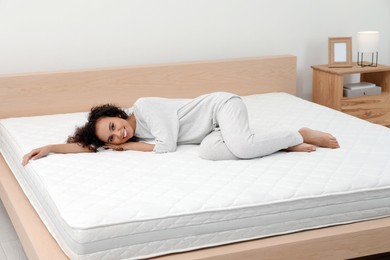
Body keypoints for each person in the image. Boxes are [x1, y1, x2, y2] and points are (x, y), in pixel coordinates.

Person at [22, 92, 340, 165]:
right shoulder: (118, 136)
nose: (118, 135)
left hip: (222, 106)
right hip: (210, 132)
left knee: (242, 148)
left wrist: (125, 147)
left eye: (115, 126)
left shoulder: (145, 107)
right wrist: (50, 147)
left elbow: (167, 146)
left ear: (118, 114)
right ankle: (281, 143)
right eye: (112, 136)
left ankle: (299, 132)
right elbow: (88, 146)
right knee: (209, 153)